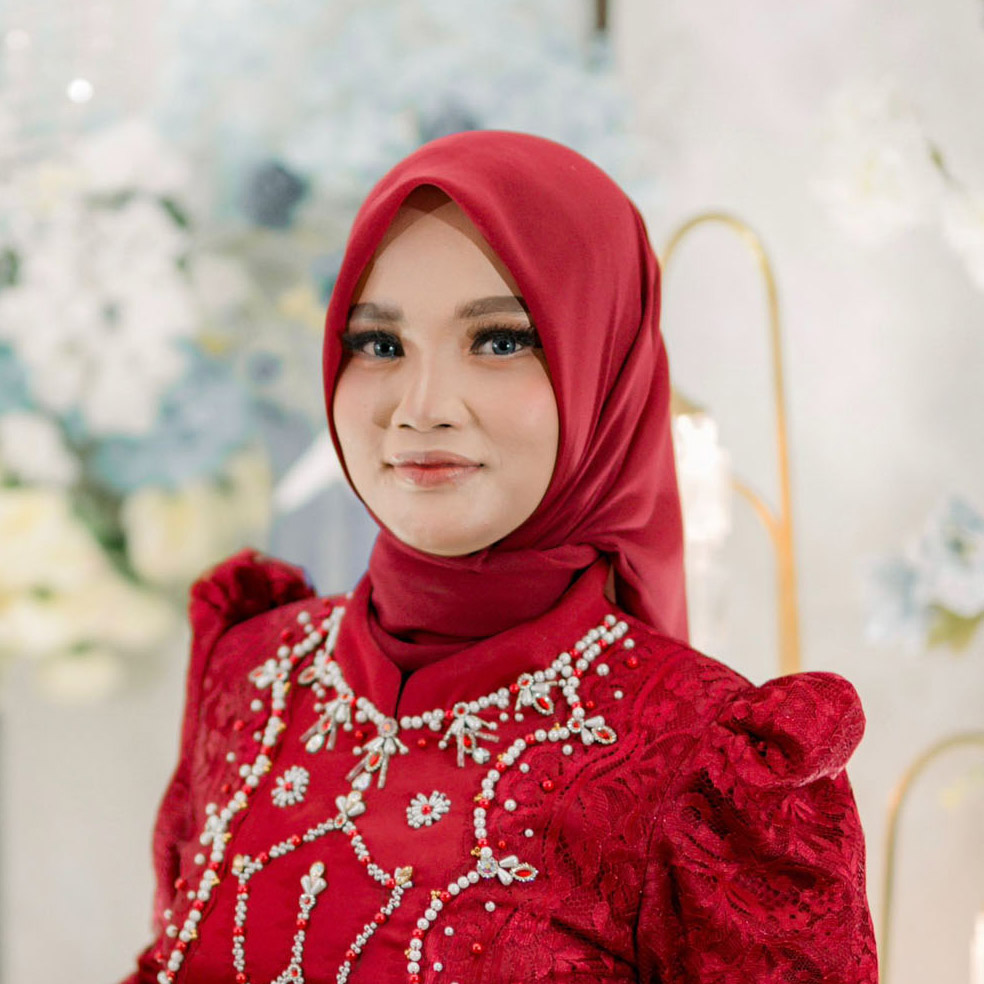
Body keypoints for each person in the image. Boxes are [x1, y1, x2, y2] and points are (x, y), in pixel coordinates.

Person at [120, 130, 878, 983]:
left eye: (499, 340)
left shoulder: (706, 769)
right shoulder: (253, 671)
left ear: (605, 366)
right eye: (380, 344)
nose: (422, 407)